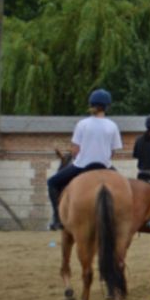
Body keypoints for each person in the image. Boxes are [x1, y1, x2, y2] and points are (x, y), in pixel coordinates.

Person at [46, 89, 122, 230]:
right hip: (105, 166)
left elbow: (75, 150)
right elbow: (112, 152)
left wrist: (79, 156)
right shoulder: (112, 126)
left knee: (52, 183)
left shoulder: (82, 124)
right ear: (107, 106)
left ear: (91, 105)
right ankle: (122, 219)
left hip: (82, 166)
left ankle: (57, 218)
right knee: (126, 187)